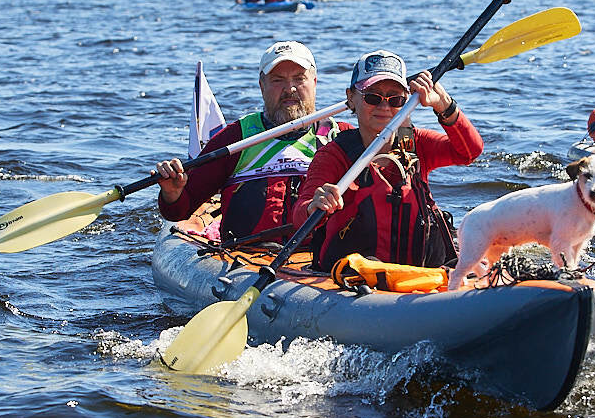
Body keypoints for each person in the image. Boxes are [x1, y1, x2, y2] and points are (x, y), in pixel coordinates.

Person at [293, 50, 482, 272]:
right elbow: (300, 216)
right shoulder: (334, 155)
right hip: (354, 278)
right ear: (351, 98)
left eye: (395, 99)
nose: (384, 107)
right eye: (372, 97)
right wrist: (314, 205)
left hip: (416, 274)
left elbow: (470, 152)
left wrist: (445, 106)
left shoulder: (417, 144)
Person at [153, 41, 350, 244]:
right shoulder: (237, 138)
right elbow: (180, 211)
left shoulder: (341, 136)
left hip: (319, 262)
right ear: (261, 86)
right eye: (277, 80)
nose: (289, 88)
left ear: (314, 82)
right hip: (244, 258)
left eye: (299, 79)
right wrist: (172, 192)